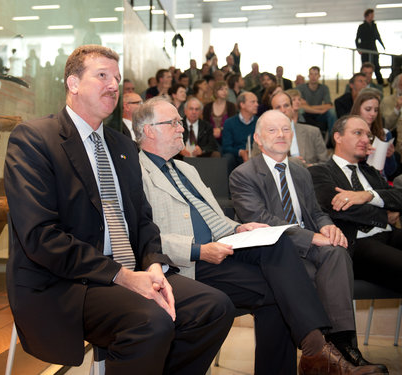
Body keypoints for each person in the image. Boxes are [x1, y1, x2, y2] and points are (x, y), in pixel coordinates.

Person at [3, 45, 235, 374]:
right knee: (151, 322)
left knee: (214, 307)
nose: (114, 85)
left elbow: (143, 222)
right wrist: (124, 277)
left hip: (131, 271)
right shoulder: (34, 140)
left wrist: (154, 265)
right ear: (72, 84)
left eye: (117, 78)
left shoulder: (122, 146)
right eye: (102, 76)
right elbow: (41, 237)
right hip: (66, 283)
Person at [134, 97, 383, 375]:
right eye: (174, 123)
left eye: (181, 122)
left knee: (274, 243)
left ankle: (315, 351)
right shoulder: (135, 172)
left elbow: (214, 218)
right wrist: (198, 250)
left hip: (219, 250)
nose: (182, 128)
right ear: (149, 130)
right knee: (279, 289)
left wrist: (239, 228)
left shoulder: (185, 169)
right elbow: (142, 235)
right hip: (186, 263)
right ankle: (318, 353)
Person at [229, 110, 388, 372]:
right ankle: (323, 355)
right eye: (272, 130)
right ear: (258, 138)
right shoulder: (243, 174)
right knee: (313, 272)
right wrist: (311, 236)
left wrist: (328, 227)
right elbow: (259, 218)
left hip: (309, 245)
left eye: (286, 129)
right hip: (274, 250)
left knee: (337, 252)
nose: (281, 135)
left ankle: (344, 347)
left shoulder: (301, 172)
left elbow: (315, 212)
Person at [309, 115, 402, 296]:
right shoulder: (319, 171)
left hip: (389, 235)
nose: (365, 139)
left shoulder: (372, 173)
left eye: (368, 135)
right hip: (357, 243)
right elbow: (340, 209)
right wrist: (384, 215)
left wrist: (367, 196)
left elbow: (398, 197)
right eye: (358, 133)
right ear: (338, 137)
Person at [252, 92, 328, 167]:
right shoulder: (262, 135)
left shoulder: (312, 132)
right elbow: (255, 164)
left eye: (286, 106)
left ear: (292, 108)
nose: (283, 110)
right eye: (278, 107)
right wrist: (289, 162)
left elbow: (325, 164)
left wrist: (307, 167)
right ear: (272, 110)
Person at [350, 90, 398, 179]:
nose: (373, 114)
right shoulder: (348, 133)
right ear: (358, 109)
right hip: (355, 180)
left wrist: (390, 156)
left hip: (379, 182)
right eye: (368, 109)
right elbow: (344, 165)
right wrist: (362, 155)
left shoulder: (384, 134)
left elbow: (390, 171)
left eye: (376, 110)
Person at [222, 91, 258, 171]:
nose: (256, 104)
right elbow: (226, 147)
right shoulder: (229, 122)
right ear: (242, 105)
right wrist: (240, 152)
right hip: (236, 156)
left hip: (255, 155)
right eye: (253, 102)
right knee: (227, 158)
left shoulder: (260, 122)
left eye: (256, 102)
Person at [297, 66, 337, 135]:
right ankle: (299, 135)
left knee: (332, 112)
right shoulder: (300, 88)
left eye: (316, 74)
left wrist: (309, 107)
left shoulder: (324, 88)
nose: (313, 77)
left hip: (319, 115)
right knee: (300, 110)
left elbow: (329, 105)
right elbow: (300, 106)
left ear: (319, 76)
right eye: (311, 74)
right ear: (308, 76)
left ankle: (332, 139)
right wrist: (320, 109)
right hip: (306, 114)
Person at [356, 9, 385, 86]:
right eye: (371, 15)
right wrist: (359, 48)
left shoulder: (374, 25)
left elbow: (377, 36)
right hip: (365, 49)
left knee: (376, 65)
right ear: (367, 16)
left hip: (373, 48)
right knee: (365, 66)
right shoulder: (361, 26)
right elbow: (357, 38)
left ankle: (380, 82)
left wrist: (382, 45)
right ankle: (364, 82)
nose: (372, 17)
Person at [203, 80, 237, 145]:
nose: (225, 92)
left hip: (227, 138)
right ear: (215, 91)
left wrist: (221, 130)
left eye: (226, 89)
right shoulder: (208, 107)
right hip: (210, 138)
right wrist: (212, 131)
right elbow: (205, 124)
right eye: (221, 89)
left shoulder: (231, 106)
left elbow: (232, 124)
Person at [381, 73, 402, 153]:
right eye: (401, 84)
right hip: (394, 145)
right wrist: (397, 108)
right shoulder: (387, 101)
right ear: (396, 86)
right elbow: (386, 124)